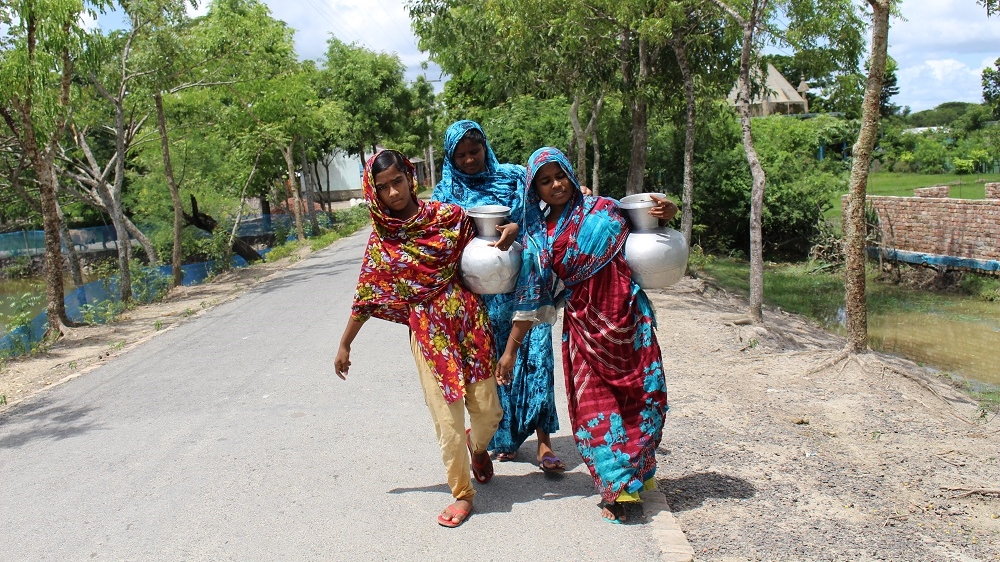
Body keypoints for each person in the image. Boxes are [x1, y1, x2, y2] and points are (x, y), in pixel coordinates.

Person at [495, 147, 673, 524]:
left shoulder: (607, 208)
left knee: (644, 399)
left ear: (572, 174)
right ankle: (617, 489)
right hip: (585, 330)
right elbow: (530, 296)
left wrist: (667, 213)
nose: (556, 185)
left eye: (560, 175)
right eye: (545, 181)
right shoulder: (539, 237)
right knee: (597, 410)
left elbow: (649, 231)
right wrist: (510, 350)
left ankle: (638, 471)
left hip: (629, 320)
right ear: (535, 190)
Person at [334, 149, 503, 528]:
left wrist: (509, 230)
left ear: (410, 178)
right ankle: (462, 493)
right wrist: (345, 343)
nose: (393, 192)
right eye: (383, 188)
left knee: (489, 411)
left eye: (397, 182)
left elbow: (491, 235)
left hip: (469, 322)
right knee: (447, 418)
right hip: (428, 332)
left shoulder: (450, 218)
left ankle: (478, 448)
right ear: (374, 193)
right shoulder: (384, 242)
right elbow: (366, 295)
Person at [432, 120, 564, 473]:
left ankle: (544, 444)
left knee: (536, 359)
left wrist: (517, 228)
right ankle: (501, 437)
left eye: (474, 152)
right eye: (460, 155)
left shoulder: (513, 178)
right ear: (450, 157)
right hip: (479, 297)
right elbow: (441, 244)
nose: (469, 160)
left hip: (524, 284)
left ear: (485, 147)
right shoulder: (445, 192)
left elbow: (540, 217)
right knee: (494, 368)